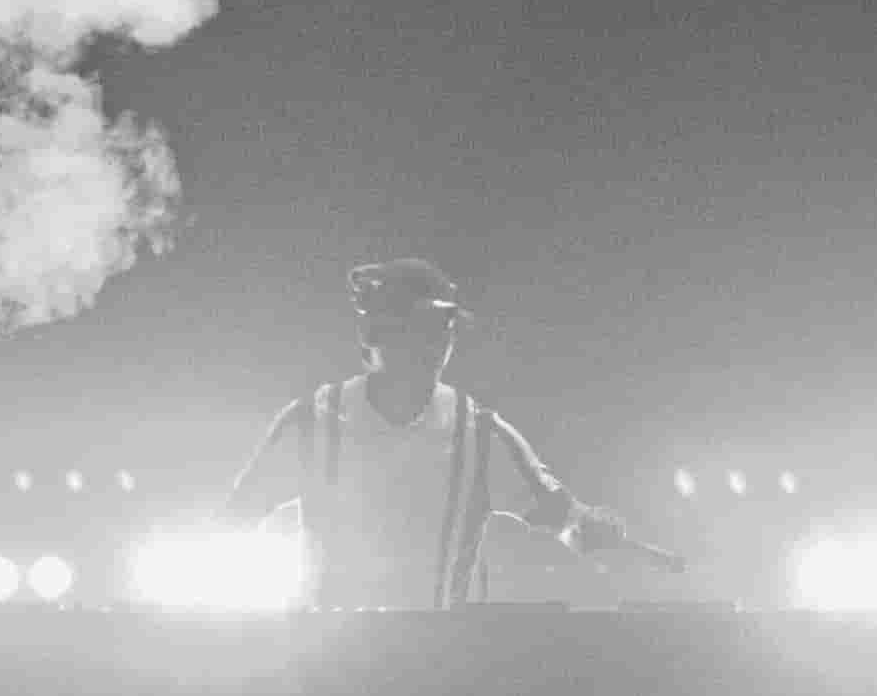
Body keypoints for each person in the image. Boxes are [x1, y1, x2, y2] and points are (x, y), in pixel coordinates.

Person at [226, 258, 671, 610]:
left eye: (442, 329)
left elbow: (565, 520)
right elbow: (236, 520)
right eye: (414, 327)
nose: (432, 343)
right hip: (324, 670)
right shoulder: (311, 423)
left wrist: (601, 534)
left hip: (441, 670)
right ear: (373, 333)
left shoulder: (479, 436)